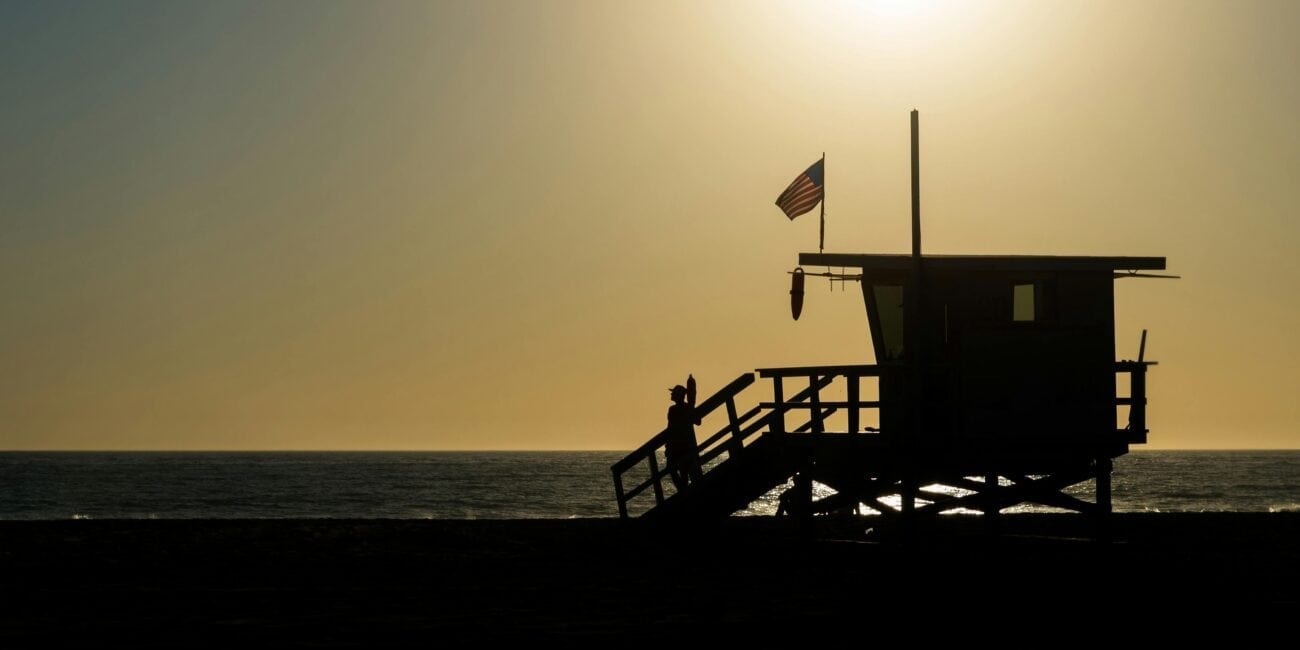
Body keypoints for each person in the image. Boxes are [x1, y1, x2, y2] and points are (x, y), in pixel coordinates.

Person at [665, 374, 702, 490]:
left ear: (678, 396)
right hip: (686, 445)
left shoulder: (673, 410)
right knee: (685, 470)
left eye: (673, 393)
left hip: (677, 447)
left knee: (674, 468)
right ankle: (685, 490)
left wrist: (668, 446)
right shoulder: (688, 407)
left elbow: (670, 429)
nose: (671, 394)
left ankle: (682, 490)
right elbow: (698, 421)